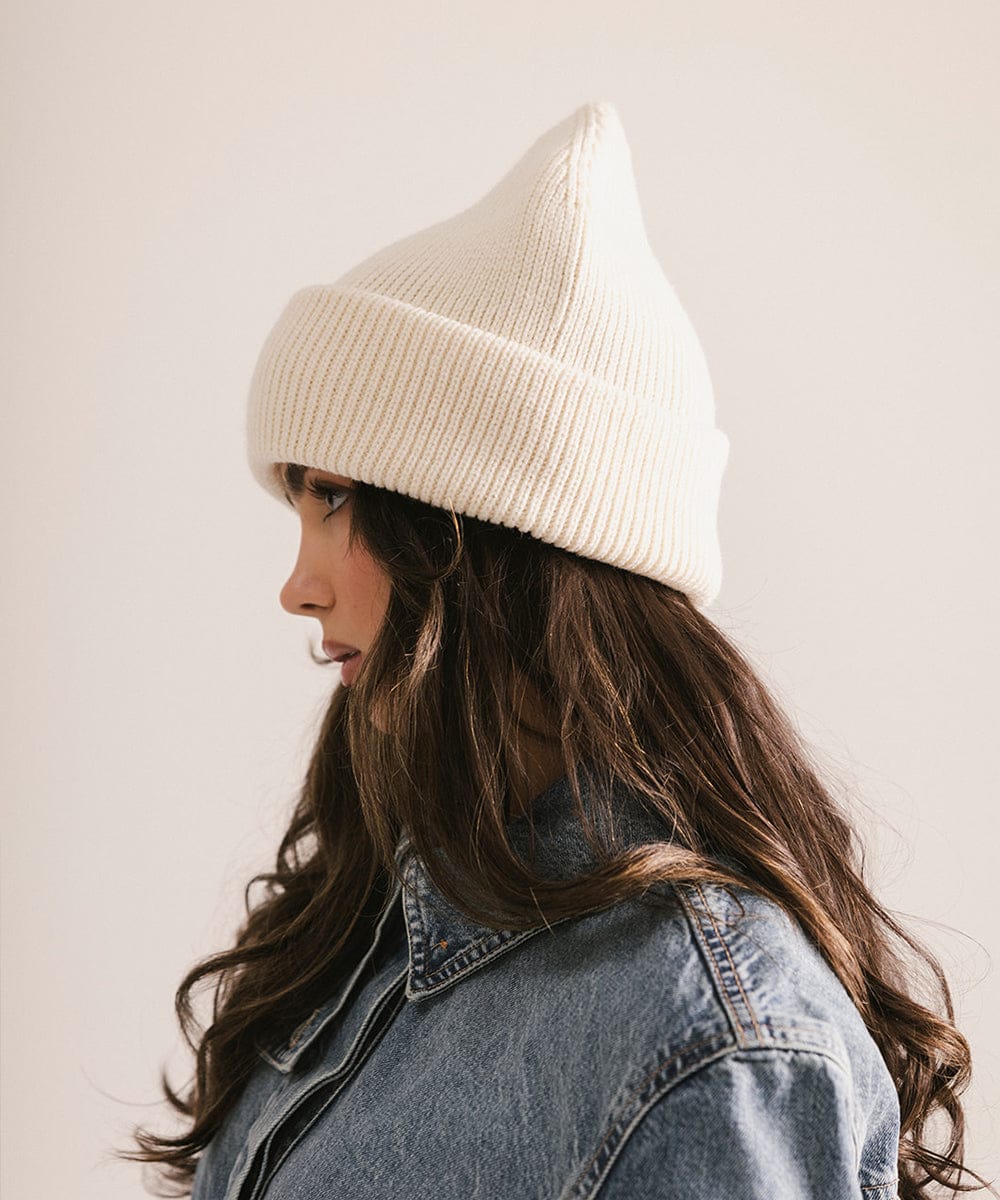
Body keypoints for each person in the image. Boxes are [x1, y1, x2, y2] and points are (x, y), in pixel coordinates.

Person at [124, 100, 992, 1199]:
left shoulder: (720, 1046)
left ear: (486, 537)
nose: (298, 586)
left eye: (333, 499)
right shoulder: (379, 915)